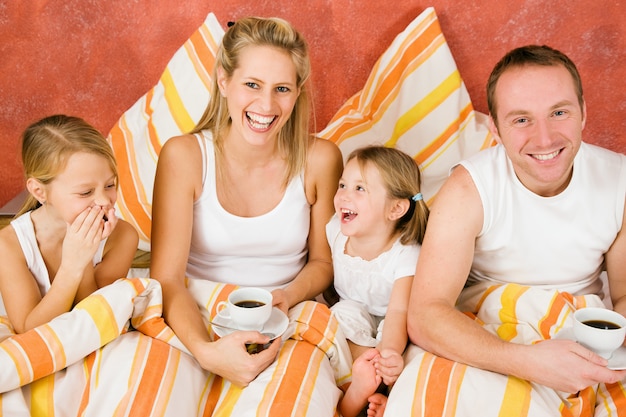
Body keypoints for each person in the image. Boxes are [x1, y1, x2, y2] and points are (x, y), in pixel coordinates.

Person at [385, 44, 626, 416]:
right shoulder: (469, 189)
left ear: (583, 114)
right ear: (495, 129)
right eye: (521, 120)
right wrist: (530, 362)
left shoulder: (620, 181)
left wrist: (593, 353)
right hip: (485, 333)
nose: (544, 139)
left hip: (579, 324)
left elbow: (624, 300)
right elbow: (426, 314)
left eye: (559, 112)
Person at [150, 15, 344, 405]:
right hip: (194, 316)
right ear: (224, 81)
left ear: (298, 92)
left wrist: (287, 297)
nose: (267, 105)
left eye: (282, 89)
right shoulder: (185, 155)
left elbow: (323, 264)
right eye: (252, 85)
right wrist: (207, 351)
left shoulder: (321, 159)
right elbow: (167, 280)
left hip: (287, 317)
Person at [0, 114, 139, 334]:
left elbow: (94, 320)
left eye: (110, 185)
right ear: (39, 191)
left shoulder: (123, 236)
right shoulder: (9, 245)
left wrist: (83, 259)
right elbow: (29, 331)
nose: (104, 200)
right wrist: (71, 265)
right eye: (86, 192)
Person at [327, 145, 428, 417]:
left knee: (405, 351)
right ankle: (362, 390)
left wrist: (389, 353)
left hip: (392, 326)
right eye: (342, 185)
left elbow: (398, 312)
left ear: (395, 208)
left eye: (360, 189)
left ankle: (371, 393)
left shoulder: (406, 254)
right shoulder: (335, 231)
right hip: (354, 320)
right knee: (340, 315)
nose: (344, 196)